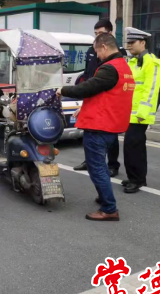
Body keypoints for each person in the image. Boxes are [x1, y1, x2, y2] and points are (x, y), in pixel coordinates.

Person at [57, 33, 134, 221]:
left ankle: (109, 208)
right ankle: (103, 195)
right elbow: (106, 95)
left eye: (97, 51)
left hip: (100, 125)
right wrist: (84, 108)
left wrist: (63, 90)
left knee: (96, 167)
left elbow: (87, 88)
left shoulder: (109, 68)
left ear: (104, 47)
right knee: (101, 165)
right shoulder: (124, 66)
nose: (97, 56)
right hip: (112, 124)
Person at [73, 19, 122, 177]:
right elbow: (88, 73)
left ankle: (112, 164)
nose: (97, 36)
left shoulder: (118, 52)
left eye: (100, 33)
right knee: (89, 129)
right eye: (95, 33)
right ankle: (89, 161)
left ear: (109, 33)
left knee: (110, 133)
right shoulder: (91, 50)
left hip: (108, 96)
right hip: (91, 92)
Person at [123, 27, 160, 194]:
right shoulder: (133, 62)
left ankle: (137, 179)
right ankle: (136, 177)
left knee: (133, 146)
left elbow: (151, 90)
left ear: (143, 43)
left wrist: (142, 113)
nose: (129, 45)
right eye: (128, 42)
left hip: (140, 114)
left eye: (132, 42)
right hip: (131, 113)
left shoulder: (152, 63)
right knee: (134, 146)